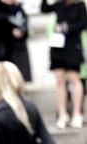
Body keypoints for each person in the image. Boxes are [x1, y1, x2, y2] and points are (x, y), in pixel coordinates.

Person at [41, 0, 87, 128]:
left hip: (73, 46)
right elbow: (44, 9)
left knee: (74, 80)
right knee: (59, 81)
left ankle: (77, 113)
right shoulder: (59, 4)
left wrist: (66, 27)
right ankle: (62, 114)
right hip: (58, 47)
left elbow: (83, 23)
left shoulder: (79, 5)